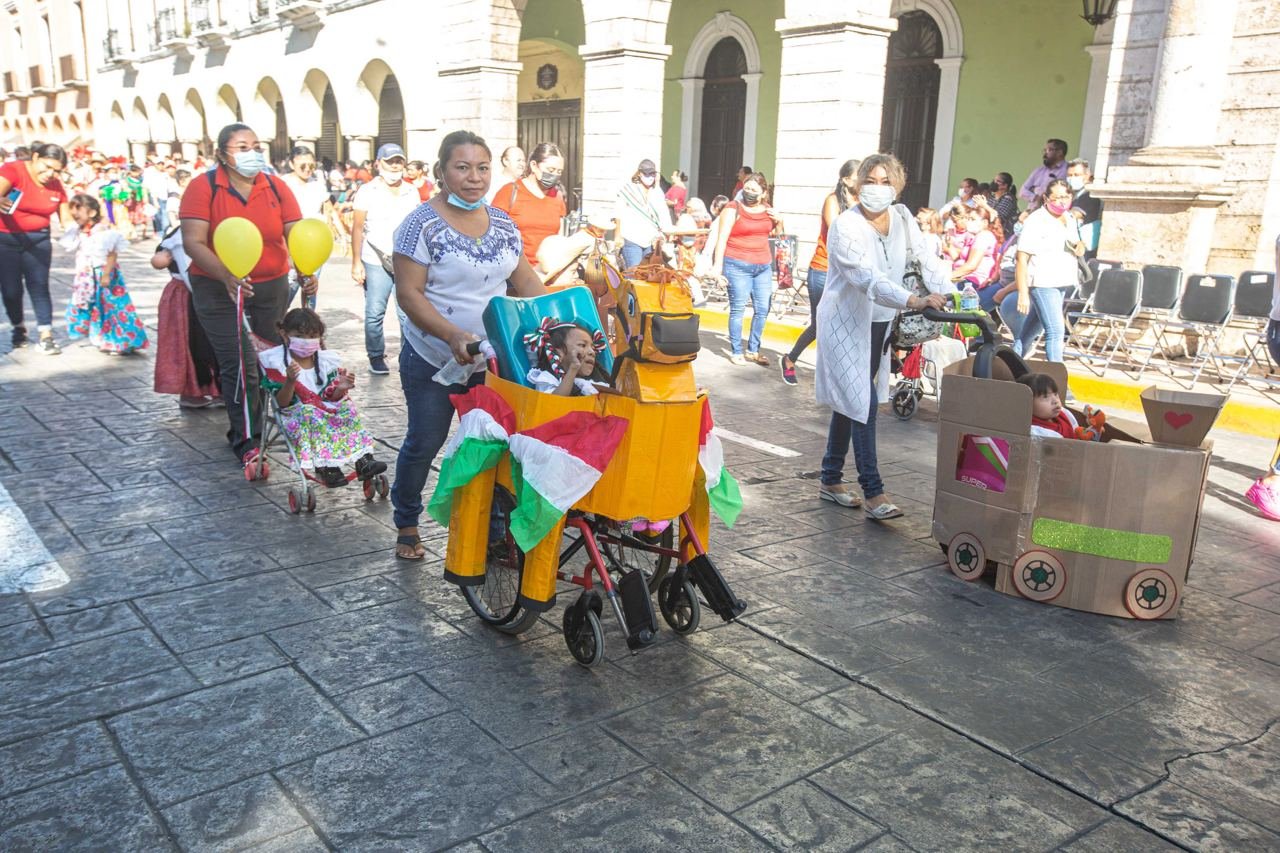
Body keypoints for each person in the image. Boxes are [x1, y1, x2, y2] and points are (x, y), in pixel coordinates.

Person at [389, 129, 547, 560]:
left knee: (492, 445)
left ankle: (494, 531)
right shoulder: (418, 225)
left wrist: (560, 312)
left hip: (493, 362)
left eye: (481, 168)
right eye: (462, 167)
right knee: (425, 440)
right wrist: (452, 335)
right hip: (433, 359)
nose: (474, 178)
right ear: (442, 172)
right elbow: (409, 294)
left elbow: (526, 280)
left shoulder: (502, 223)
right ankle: (406, 518)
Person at [815, 153, 952, 518]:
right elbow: (865, 278)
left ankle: (830, 477)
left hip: (880, 323)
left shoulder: (904, 218)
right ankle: (873, 491)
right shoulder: (846, 225)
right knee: (863, 403)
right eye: (870, 181)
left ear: (897, 185)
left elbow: (926, 258)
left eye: (885, 181)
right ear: (858, 184)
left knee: (852, 399)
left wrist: (952, 292)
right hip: (845, 323)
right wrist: (913, 299)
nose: (877, 188)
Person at [179, 123, 314, 473]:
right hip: (216, 285)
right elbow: (193, 240)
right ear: (222, 152)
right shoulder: (202, 187)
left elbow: (294, 232)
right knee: (240, 365)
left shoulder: (276, 186)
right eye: (242, 146)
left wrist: (305, 266)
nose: (252, 152)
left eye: (256, 145)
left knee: (272, 360)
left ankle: (276, 423)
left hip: (271, 284)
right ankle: (246, 439)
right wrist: (226, 274)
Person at [258, 307, 386, 488]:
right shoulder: (277, 362)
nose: (307, 342)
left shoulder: (324, 361)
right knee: (310, 411)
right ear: (284, 334)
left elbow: (330, 398)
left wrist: (340, 389)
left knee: (346, 408)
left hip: (323, 411)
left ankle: (363, 460)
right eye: (300, 336)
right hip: (295, 415)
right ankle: (327, 467)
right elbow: (281, 404)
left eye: (312, 336)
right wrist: (290, 381)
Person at [781, 159, 858, 385]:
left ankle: (834, 373)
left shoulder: (862, 201)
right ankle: (790, 359)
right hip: (823, 270)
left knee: (843, 323)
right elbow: (837, 231)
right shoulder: (832, 201)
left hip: (848, 272)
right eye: (859, 176)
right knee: (821, 324)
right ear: (845, 179)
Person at [351, 143, 421, 375]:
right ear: (378, 163)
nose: (394, 166)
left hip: (404, 260)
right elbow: (358, 228)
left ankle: (407, 355)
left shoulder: (411, 191)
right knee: (374, 312)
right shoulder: (367, 191)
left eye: (398, 161)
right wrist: (356, 262)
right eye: (389, 161)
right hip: (374, 258)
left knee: (407, 313)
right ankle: (375, 355)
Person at [997, 179, 1084, 363]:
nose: (1062, 201)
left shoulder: (1069, 218)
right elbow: (1022, 258)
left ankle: (1011, 365)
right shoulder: (1036, 220)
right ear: (1046, 198)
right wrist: (1022, 293)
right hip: (1043, 282)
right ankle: (1059, 377)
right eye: (1057, 197)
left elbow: (1076, 242)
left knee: (1029, 332)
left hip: (1062, 280)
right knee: (1055, 331)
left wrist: (1080, 246)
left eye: (1066, 197)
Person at [0, 142, 70, 353]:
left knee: (39, 286)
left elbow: (65, 216)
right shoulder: (13, 171)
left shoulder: (55, 185)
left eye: (56, 170)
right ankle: (18, 327)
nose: (50, 174)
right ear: (35, 157)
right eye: (47, 167)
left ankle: (46, 335)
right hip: (6, 240)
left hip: (38, 240)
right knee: (11, 290)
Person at [61, 194, 148, 354]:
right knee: (98, 307)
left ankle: (122, 341)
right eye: (72, 210)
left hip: (102, 273)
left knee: (113, 307)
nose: (74, 214)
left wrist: (106, 274)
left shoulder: (102, 231)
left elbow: (111, 254)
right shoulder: (81, 231)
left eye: (78, 210)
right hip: (87, 275)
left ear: (92, 213)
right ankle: (104, 338)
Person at [712, 171, 782, 366]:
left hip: (763, 267)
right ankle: (736, 351)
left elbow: (777, 236)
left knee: (763, 308)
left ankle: (753, 350)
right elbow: (722, 239)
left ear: (763, 193)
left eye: (753, 189)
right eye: (746, 188)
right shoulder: (733, 208)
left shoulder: (768, 210)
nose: (748, 192)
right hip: (737, 265)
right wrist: (717, 268)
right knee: (738, 309)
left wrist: (780, 221)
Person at [152, 224, 221, 408]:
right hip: (187, 298)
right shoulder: (180, 235)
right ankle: (192, 392)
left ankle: (219, 390)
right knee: (191, 344)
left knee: (215, 343)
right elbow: (167, 262)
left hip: (207, 292)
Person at [492, 141, 567, 269]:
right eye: (551, 170)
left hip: (548, 273)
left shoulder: (557, 197)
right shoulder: (509, 192)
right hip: (515, 274)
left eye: (559, 172)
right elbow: (493, 236)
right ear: (534, 165)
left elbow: (559, 239)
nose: (554, 175)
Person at [524, 317, 609, 397]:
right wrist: (573, 369)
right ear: (559, 352)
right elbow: (552, 403)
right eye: (582, 345)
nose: (592, 352)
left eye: (593, 348)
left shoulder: (590, 383)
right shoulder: (548, 378)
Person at [615, 158, 672, 269]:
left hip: (651, 241)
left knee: (648, 276)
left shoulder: (657, 192)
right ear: (640, 174)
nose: (650, 177)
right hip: (632, 239)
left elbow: (664, 214)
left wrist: (665, 235)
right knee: (634, 274)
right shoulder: (628, 190)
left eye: (652, 174)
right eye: (647, 174)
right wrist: (618, 236)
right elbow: (618, 213)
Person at [950, 206, 999, 290]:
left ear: (984, 222)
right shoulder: (975, 236)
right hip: (965, 278)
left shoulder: (983, 236)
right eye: (968, 219)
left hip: (973, 282)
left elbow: (971, 266)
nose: (968, 222)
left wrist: (947, 277)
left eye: (972, 219)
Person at [1017, 373, 1079, 438]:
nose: (1055, 401)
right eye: (1045, 397)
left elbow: (1077, 433)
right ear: (1026, 403)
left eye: (1055, 394)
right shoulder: (1033, 431)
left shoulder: (1064, 416)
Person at [1066, 158, 1103, 261]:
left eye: (1076, 175)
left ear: (1087, 175)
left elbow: (1074, 214)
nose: (1072, 178)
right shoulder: (1077, 193)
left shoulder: (1089, 194)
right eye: (1069, 175)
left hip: (1083, 248)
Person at [281, 146, 329, 221]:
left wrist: (342, 232)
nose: (307, 169)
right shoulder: (282, 184)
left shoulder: (318, 185)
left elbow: (330, 211)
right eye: (302, 166)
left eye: (311, 166)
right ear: (291, 164)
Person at [1020, 139, 1069, 208]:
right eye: (1044, 150)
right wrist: (1036, 197)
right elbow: (1022, 191)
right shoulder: (1039, 171)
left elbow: (1053, 194)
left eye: (1048, 150)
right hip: (1032, 213)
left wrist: (1034, 189)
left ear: (1059, 152)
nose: (1045, 153)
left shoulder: (1067, 170)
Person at [989, 171, 1020, 239]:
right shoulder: (992, 197)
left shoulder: (1008, 199)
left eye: (998, 181)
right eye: (994, 180)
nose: (994, 182)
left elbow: (1000, 217)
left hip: (1003, 234)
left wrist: (984, 206)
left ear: (1005, 185)